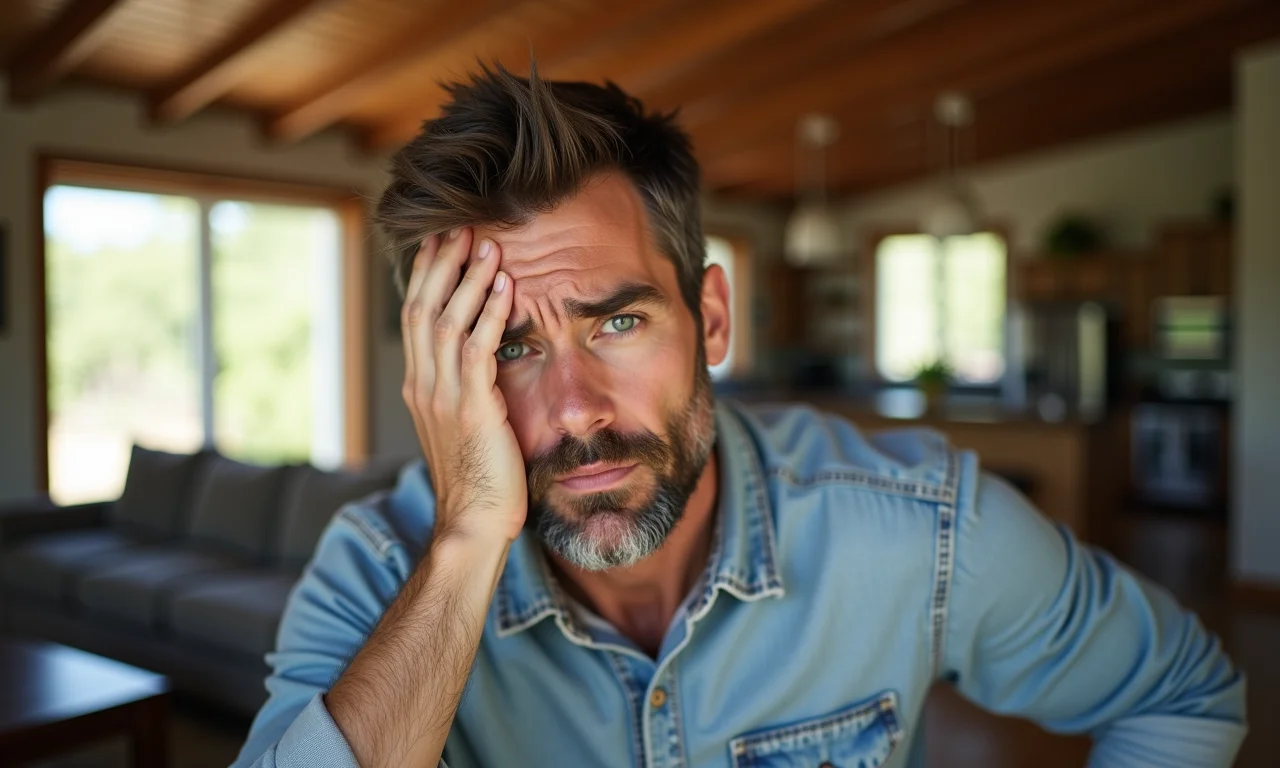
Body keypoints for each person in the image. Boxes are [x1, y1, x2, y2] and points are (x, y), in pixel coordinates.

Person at [231, 64, 1246, 768]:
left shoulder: (919, 527)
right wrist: (463, 545)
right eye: (508, 347)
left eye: (618, 321)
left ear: (709, 316)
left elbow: (1180, 695)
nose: (576, 410)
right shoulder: (376, 568)